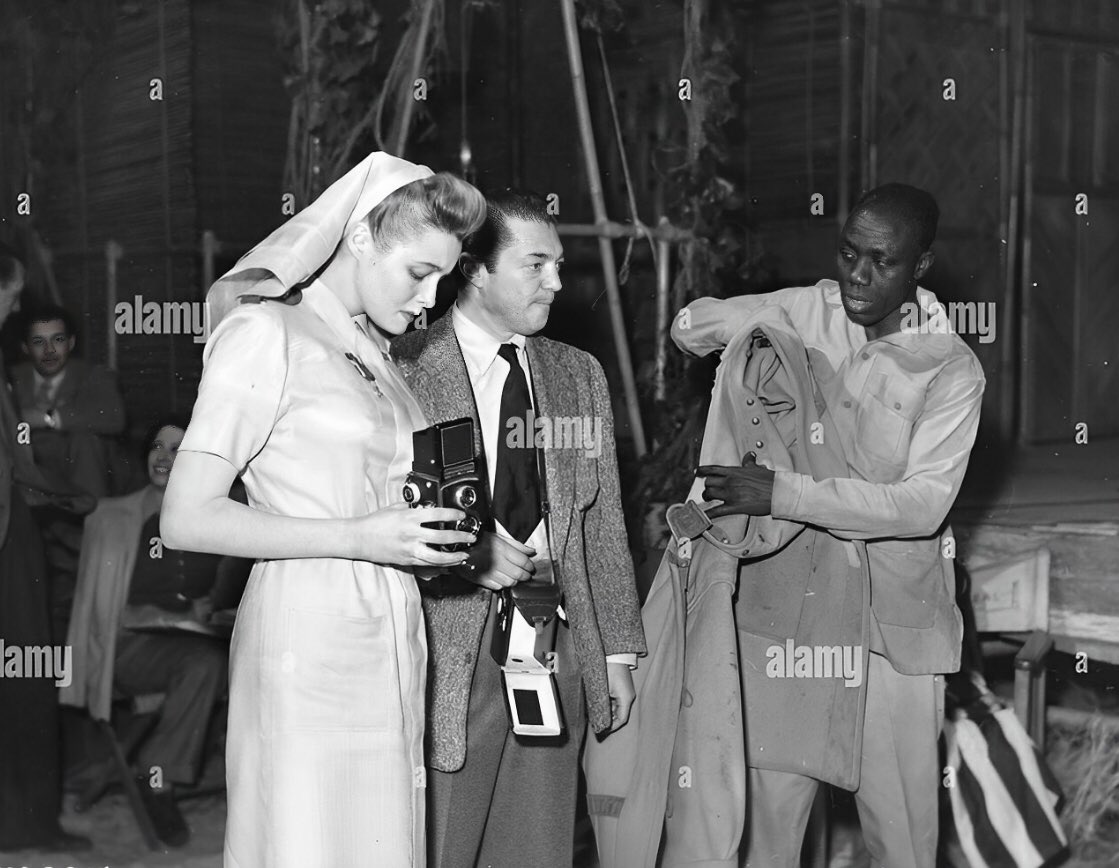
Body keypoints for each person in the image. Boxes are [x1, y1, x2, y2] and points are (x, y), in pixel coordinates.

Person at [160, 152, 486, 868]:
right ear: (362, 239)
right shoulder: (267, 334)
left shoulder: (377, 360)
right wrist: (361, 536)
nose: (430, 301)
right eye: (418, 273)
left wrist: (426, 544)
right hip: (304, 638)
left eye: (444, 279)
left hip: (390, 629)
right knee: (307, 840)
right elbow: (185, 518)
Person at [672, 183, 985, 867]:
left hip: (890, 633)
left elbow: (920, 505)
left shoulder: (949, 369)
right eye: (847, 254)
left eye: (881, 261)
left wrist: (782, 492)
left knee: (901, 839)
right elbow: (688, 328)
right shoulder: (809, 309)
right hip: (792, 621)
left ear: (919, 268)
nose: (857, 276)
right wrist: (760, 324)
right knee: (766, 836)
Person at [392, 190, 646, 868]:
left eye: (558, 264)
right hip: (446, 643)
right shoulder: (401, 366)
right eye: (536, 265)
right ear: (474, 268)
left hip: (555, 635)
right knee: (440, 837)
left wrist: (615, 654)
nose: (557, 283)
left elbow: (602, 527)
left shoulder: (577, 376)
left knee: (534, 841)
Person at [61, 415, 229, 847]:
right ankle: (160, 779)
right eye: (157, 446)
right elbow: (107, 615)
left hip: (185, 647)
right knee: (204, 664)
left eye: (177, 449)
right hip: (123, 650)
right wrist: (168, 617)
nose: (164, 457)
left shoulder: (212, 518)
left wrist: (207, 608)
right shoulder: (113, 517)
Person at [0, 242, 93, 852]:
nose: (12, 310)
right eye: (8, 295)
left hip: (18, 529)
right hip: (9, 542)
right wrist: (71, 499)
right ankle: (26, 824)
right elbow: (15, 461)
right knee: (24, 681)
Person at [11, 303, 126, 497]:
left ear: (71, 343)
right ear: (25, 347)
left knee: (86, 441)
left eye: (58, 340)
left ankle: (90, 522)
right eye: (39, 342)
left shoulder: (94, 375)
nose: (49, 350)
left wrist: (47, 418)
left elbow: (115, 417)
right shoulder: (11, 378)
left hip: (82, 479)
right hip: (28, 482)